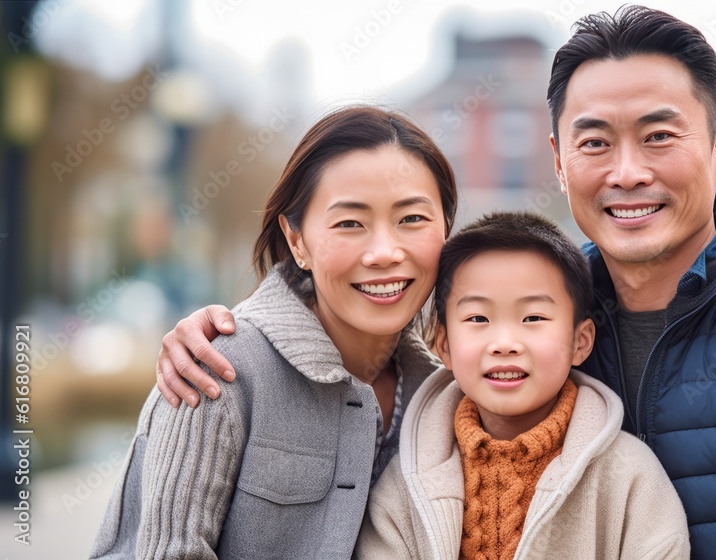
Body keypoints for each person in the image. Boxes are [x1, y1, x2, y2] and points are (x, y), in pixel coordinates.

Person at [155, 5, 716, 559]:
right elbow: (381, 322)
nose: (628, 172)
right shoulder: (536, 318)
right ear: (557, 160)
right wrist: (243, 331)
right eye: (595, 142)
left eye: (659, 135)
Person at [90, 106, 458, 559]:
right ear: (297, 240)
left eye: (412, 219)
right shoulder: (217, 369)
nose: (384, 252)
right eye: (349, 223)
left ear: (447, 230)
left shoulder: (444, 395)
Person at [354, 211, 689, 559]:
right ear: (444, 346)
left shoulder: (628, 475)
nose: (504, 343)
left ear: (581, 341)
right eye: (478, 318)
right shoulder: (408, 480)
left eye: (533, 318)